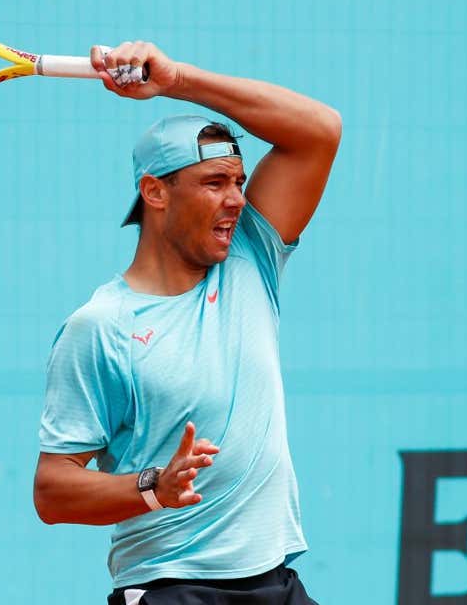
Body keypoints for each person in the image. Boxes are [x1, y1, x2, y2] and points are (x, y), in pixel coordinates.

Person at [33, 41, 341, 605]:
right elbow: (53, 491)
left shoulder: (252, 257)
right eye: (214, 183)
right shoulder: (100, 326)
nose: (237, 201)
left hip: (277, 582)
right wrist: (153, 487)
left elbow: (320, 129)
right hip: (173, 589)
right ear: (155, 191)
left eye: (240, 182)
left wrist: (177, 79)